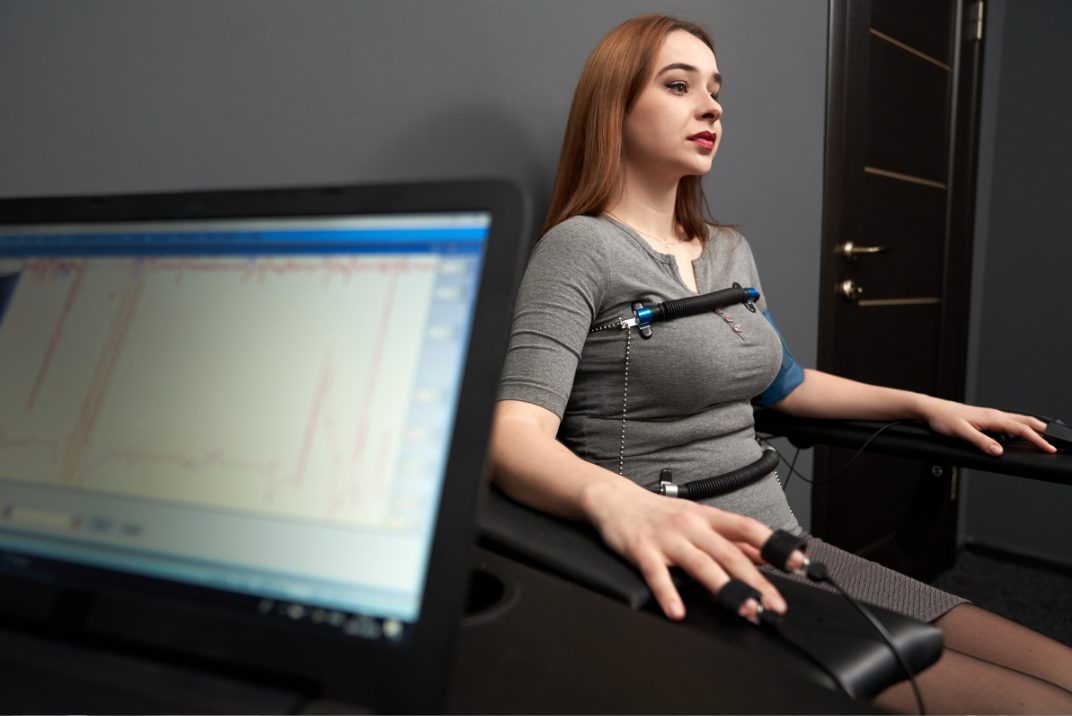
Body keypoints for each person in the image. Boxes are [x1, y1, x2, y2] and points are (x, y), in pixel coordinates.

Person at [489, 13, 1072, 714]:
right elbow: (512, 436)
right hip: (692, 564)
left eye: (715, 90)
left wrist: (928, 405)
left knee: (1063, 671)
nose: (711, 107)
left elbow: (786, 384)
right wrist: (623, 506)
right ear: (614, 106)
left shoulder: (727, 249)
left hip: (789, 545)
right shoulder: (578, 250)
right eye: (679, 85)